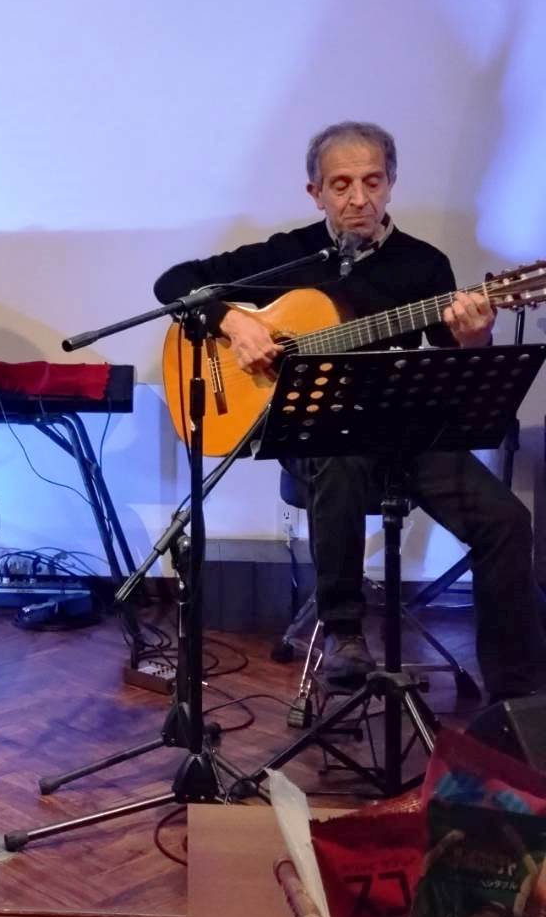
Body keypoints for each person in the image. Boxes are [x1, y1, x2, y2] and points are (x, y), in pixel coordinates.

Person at [154, 120, 541, 700]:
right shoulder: (288, 256)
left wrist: (475, 336)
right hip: (317, 438)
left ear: (390, 184)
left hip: (407, 435)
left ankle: (517, 698)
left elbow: (455, 353)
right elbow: (174, 283)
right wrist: (234, 323)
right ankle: (343, 632)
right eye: (341, 184)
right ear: (316, 193)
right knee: (338, 452)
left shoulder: (423, 265)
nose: (359, 198)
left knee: (507, 521)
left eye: (372, 181)